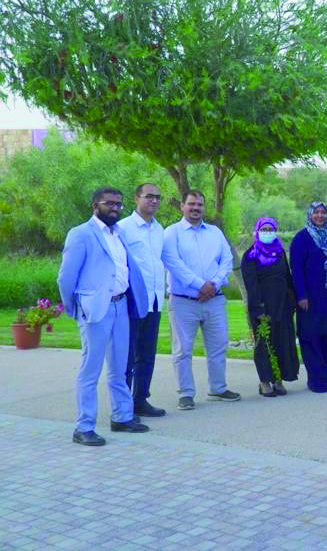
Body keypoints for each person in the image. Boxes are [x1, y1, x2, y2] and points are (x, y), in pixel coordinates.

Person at [58, 186, 150, 445]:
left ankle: (122, 416)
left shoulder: (118, 234)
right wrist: (75, 307)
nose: (115, 208)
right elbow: (66, 277)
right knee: (91, 369)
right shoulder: (81, 234)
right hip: (95, 310)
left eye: (119, 204)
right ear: (95, 205)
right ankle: (84, 426)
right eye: (109, 203)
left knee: (120, 368)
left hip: (121, 307)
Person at [162, 190, 240, 410]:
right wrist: (200, 284)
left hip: (214, 299)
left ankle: (218, 388)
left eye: (199, 205)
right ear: (182, 206)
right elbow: (173, 263)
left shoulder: (215, 232)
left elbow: (226, 260)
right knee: (183, 348)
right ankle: (186, 393)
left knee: (218, 346)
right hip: (184, 300)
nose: (196, 208)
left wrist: (213, 284)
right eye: (191, 204)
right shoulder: (172, 233)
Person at [117, 183, 167, 417]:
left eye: (158, 197)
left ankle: (141, 400)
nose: (154, 201)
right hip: (133, 302)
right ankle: (123, 405)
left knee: (147, 355)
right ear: (136, 198)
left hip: (155, 301)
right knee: (128, 356)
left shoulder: (159, 229)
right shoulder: (123, 228)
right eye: (149, 197)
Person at [240, 217, 300, 397]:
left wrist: (293, 299)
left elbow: (287, 277)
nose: (267, 232)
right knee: (265, 343)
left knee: (282, 341)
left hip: (282, 304)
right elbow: (251, 285)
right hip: (262, 305)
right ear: (257, 231)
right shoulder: (250, 256)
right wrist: (259, 308)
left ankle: (278, 379)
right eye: (264, 229)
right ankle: (265, 381)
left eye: (270, 229)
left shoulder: (280, 253)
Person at [290, 201, 327, 393]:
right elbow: (296, 270)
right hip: (310, 297)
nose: (320, 216)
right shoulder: (301, 238)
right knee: (311, 336)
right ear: (310, 214)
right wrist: (301, 295)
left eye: (323, 212)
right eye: (316, 212)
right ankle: (316, 378)